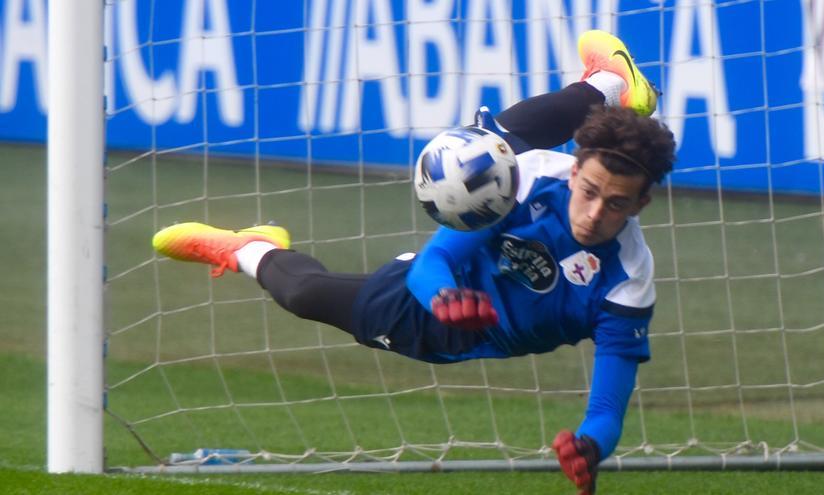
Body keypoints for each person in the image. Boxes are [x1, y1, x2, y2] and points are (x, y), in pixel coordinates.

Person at [152, 30, 676, 495]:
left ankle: (607, 88)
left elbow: (608, 409)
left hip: (450, 335)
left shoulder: (626, 284)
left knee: (307, 295)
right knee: (477, 152)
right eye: (587, 191)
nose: (594, 213)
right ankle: (245, 247)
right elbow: (435, 263)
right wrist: (444, 298)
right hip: (432, 295)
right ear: (575, 168)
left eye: (616, 204)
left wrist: (588, 447)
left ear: (641, 205)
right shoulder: (535, 179)